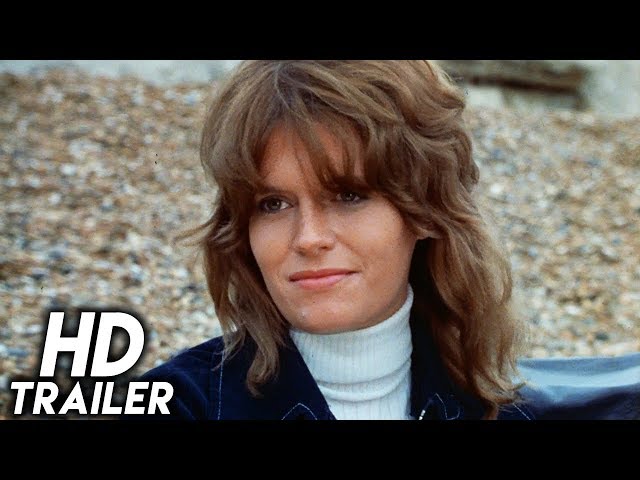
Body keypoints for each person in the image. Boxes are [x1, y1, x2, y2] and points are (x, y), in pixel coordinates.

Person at [131, 60, 639, 420]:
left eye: (348, 195)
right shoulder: (178, 405)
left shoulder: (501, 407)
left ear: (426, 209)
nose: (309, 238)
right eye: (273, 204)